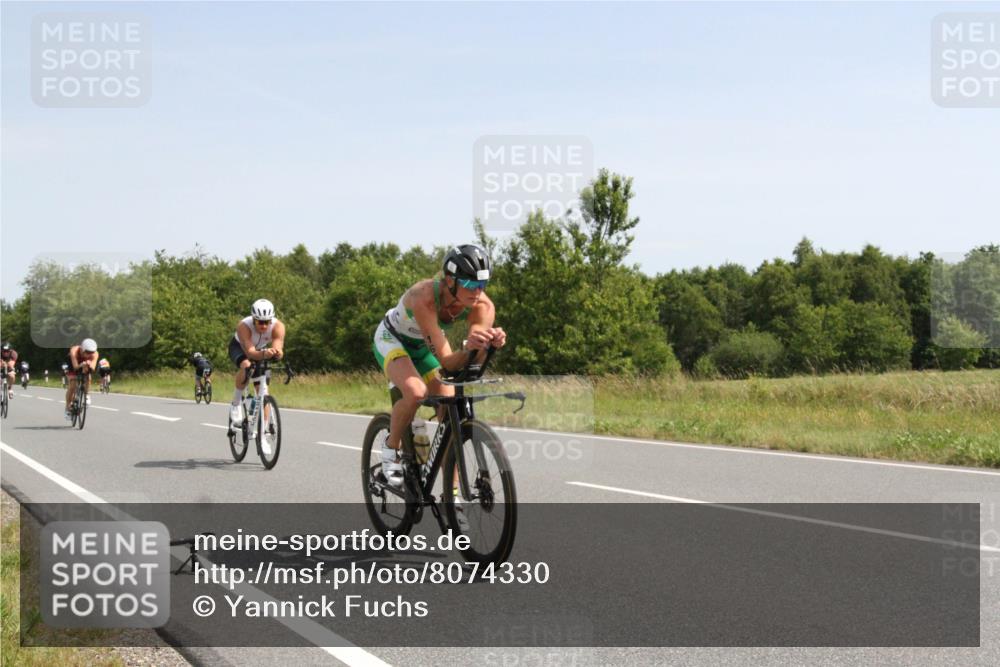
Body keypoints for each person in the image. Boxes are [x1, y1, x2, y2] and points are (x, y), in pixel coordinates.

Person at [372, 244, 506, 487]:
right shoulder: (424, 297)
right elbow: (446, 361)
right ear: (449, 280)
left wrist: (484, 346)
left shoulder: (483, 306)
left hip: (422, 348)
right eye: (469, 284)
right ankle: (390, 451)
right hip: (392, 340)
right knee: (416, 393)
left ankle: (451, 495)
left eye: (482, 285)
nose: (476, 292)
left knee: (449, 400)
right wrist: (468, 350)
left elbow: (466, 358)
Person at [228, 299, 285, 426]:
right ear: (254, 319)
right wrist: (264, 354)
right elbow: (250, 353)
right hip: (240, 348)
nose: (264, 326)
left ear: (271, 320)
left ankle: (263, 429)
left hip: (260, 350)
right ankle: (236, 403)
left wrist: (277, 353)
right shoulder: (244, 326)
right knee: (247, 365)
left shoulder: (278, 327)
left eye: (267, 322)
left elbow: (278, 347)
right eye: (260, 322)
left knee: (263, 391)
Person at [64, 338, 99, 420]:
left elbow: (93, 368)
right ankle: (67, 407)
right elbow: (75, 367)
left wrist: (89, 365)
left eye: (91, 353)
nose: (89, 354)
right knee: (72, 384)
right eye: (87, 352)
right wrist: (81, 365)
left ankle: (87, 395)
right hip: (73, 363)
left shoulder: (95, 354)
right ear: (82, 349)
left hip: (85, 364)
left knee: (88, 377)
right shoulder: (74, 351)